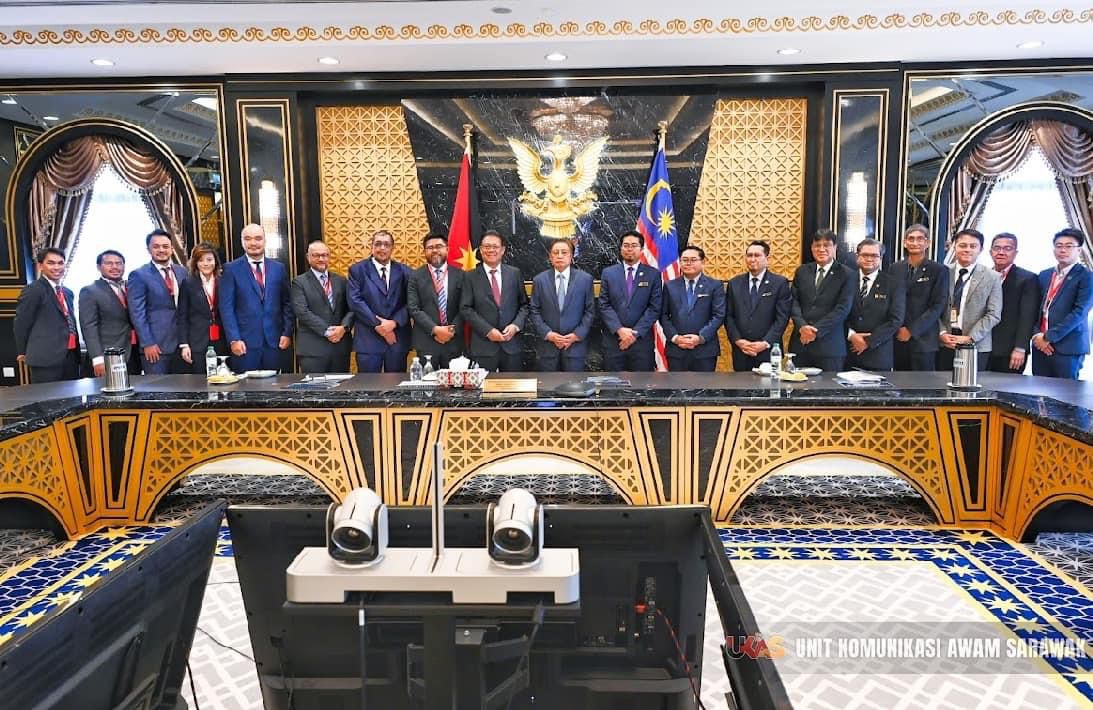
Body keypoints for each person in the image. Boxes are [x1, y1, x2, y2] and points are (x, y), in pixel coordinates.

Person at [219, 223, 294, 372]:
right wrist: (234, 339)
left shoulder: (278, 268)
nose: (253, 243)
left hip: (275, 342)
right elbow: (226, 308)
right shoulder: (231, 269)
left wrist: (287, 333)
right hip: (244, 344)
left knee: (275, 385)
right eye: (248, 239)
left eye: (258, 238)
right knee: (246, 386)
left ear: (265, 240)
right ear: (242, 242)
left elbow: (287, 303)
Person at [459, 230, 528, 372]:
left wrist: (515, 326)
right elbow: (466, 308)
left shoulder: (514, 273)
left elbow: (524, 305)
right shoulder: (470, 277)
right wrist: (488, 330)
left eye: (495, 246)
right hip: (483, 346)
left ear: (502, 250)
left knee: (513, 385)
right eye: (487, 246)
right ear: (481, 250)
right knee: (483, 385)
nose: (491, 250)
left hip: (511, 346)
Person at [1031, 227, 1093, 379]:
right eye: (1059, 246)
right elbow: (1034, 308)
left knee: (1066, 392)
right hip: (1039, 345)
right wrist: (1037, 335)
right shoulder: (1044, 275)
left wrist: (1048, 337)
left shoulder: (1086, 276)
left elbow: (1080, 312)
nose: (1063, 250)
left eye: (1069, 246)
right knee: (1038, 389)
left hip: (1068, 347)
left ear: (1079, 250)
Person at [789, 229, 854, 372]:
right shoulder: (802, 271)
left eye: (827, 245)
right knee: (797, 384)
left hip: (830, 347)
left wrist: (815, 331)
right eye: (817, 245)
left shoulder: (847, 274)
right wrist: (802, 327)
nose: (821, 249)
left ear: (835, 247)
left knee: (829, 386)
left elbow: (843, 308)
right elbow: (793, 302)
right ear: (812, 248)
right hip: (801, 344)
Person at [937, 229, 1002, 372]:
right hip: (945, 343)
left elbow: (994, 314)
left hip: (976, 345)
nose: (967, 249)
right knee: (941, 383)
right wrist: (941, 333)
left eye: (973, 246)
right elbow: (933, 307)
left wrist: (970, 337)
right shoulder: (942, 272)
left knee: (971, 385)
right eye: (963, 245)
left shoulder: (992, 277)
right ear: (954, 246)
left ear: (981, 249)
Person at [347, 229, 411, 373]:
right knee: (368, 385)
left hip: (396, 339)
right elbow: (355, 302)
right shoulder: (357, 270)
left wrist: (393, 323)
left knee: (396, 385)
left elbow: (412, 302)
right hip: (368, 340)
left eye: (386, 244)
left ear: (392, 248)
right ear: (372, 246)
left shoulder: (405, 272)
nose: (382, 248)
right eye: (378, 244)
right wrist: (380, 326)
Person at [597, 230, 662, 371]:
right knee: (613, 383)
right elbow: (604, 304)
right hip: (614, 342)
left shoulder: (653, 274)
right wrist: (620, 330)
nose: (629, 249)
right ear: (621, 249)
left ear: (642, 249)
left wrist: (634, 334)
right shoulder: (609, 273)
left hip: (641, 343)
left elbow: (654, 308)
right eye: (626, 245)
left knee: (642, 383)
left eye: (634, 245)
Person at [724, 239, 792, 372]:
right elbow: (728, 316)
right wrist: (738, 340)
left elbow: (782, 318)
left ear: (767, 259)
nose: (752, 259)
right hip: (741, 350)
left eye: (757, 255)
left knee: (769, 385)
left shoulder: (779, 283)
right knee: (741, 384)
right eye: (749, 255)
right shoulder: (734, 283)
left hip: (769, 350)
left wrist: (765, 343)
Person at [888, 224, 949, 371]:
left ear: (927, 243)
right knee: (898, 382)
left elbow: (938, 306)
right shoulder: (894, 268)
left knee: (923, 382)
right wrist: (896, 328)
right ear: (905, 242)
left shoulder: (939, 270)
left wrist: (911, 330)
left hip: (924, 339)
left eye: (920, 239)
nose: (915, 242)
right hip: (897, 337)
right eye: (911, 239)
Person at [14, 247, 80, 383]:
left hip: (71, 356)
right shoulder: (33, 290)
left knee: (72, 395)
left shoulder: (67, 292)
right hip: (45, 359)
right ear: (40, 266)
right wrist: (22, 351)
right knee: (48, 396)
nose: (57, 267)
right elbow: (22, 323)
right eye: (51, 263)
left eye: (60, 263)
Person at [128, 229, 188, 374]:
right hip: (156, 346)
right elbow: (137, 313)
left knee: (185, 385)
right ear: (148, 249)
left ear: (172, 249)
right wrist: (147, 343)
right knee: (158, 386)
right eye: (156, 246)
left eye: (165, 246)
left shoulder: (182, 271)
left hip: (182, 344)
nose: (161, 250)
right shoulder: (139, 275)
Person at [529, 239, 595, 372]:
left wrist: (577, 334)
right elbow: (534, 310)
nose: (559, 256)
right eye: (556, 252)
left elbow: (590, 310)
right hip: (548, 347)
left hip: (575, 346)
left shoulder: (585, 279)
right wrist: (548, 333)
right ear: (550, 257)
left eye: (564, 252)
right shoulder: (539, 280)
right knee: (548, 384)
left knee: (574, 384)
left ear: (571, 256)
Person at [290, 240, 354, 373]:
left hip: (340, 348)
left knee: (341, 386)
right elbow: (301, 311)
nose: (321, 259)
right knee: (315, 386)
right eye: (316, 255)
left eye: (324, 255)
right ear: (308, 257)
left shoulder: (341, 280)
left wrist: (344, 327)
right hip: (313, 350)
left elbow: (352, 308)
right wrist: (327, 331)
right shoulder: (299, 282)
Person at [660, 245, 726, 372]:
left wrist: (700, 338)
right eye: (685, 260)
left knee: (704, 385)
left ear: (703, 262)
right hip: (677, 349)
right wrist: (675, 337)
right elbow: (663, 315)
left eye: (693, 260)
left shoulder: (715, 285)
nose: (688, 263)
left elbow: (719, 315)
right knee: (676, 385)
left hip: (705, 350)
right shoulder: (670, 286)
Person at [845, 239, 905, 371]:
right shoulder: (846, 280)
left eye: (874, 255)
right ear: (857, 257)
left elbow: (895, 320)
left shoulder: (893, 284)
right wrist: (851, 335)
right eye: (865, 255)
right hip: (847, 353)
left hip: (878, 355)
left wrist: (869, 341)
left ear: (881, 258)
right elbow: (839, 312)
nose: (869, 259)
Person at [78, 250, 140, 378]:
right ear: (99, 267)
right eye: (109, 263)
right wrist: (97, 358)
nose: (115, 267)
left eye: (119, 263)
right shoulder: (90, 291)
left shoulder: (131, 287)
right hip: (108, 355)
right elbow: (89, 327)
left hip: (134, 353)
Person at [407, 233, 464, 369]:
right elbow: (414, 308)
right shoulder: (415, 276)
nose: (434, 250)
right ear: (424, 251)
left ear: (447, 249)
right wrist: (435, 329)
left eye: (439, 246)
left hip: (453, 341)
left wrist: (450, 331)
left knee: (453, 382)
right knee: (427, 381)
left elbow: (465, 307)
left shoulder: (461, 275)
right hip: (426, 340)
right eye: (430, 247)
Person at [986, 233, 1038, 374]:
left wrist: (1020, 348)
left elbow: (1027, 316)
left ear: (1015, 253)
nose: (1001, 252)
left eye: (1007, 248)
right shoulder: (983, 275)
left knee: (1007, 387)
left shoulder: (1027, 279)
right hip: (983, 347)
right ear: (990, 252)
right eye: (997, 248)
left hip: (1010, 351)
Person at [176, 242, 229, 374]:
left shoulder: (224, 281)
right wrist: (184, 345)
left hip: (222, 339)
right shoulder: (188, 283)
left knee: (222, 376)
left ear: (215, 261)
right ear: (195, 263)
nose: (205, 264)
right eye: (201, 260)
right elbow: (182, 316)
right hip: (197, 341)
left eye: (209, 260)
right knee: (200, 379)